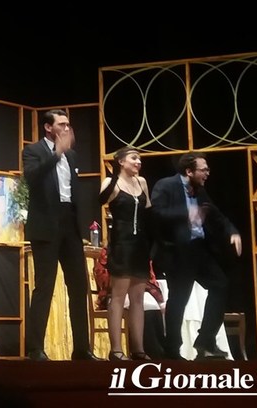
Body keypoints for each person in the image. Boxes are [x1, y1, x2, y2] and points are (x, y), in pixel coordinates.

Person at [22, 109, 99, 361]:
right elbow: (32, 178)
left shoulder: (72, 155)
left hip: (70, 225)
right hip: (46, 225)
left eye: (68, 124)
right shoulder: (33, 151)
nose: (67, 128)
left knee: (78, 287)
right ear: (48, 127)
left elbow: (74, 192)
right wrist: (56, 153)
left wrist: (82, 226)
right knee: (44, 286)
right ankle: (35, 348)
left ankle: (82, 349)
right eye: (62, 124)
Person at [150, 152, 242, 360]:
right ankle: (172, 349)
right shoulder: (166, 185)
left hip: (198, 250)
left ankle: (206, 340)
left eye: (207, 169)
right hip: (177, 252)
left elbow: (217, 215)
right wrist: (186, 213)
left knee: (220, 285)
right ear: (189, 171)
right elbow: (156, 213)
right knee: (179, 299)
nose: (207, 173)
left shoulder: (200, 190)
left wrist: (232, 231)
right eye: (203, 170)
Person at [98, 147, 153, 361]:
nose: (138, 162)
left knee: (138, 298)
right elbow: (100, 201)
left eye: (139, 158)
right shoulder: (110, 182)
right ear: (121, 161)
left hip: (140, 245)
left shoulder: (142, 182)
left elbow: (148, 211)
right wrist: (113, 180)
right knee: (119, 297)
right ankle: (116, 350)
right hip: (121, 244)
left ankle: (139, 349)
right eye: (134, 158)